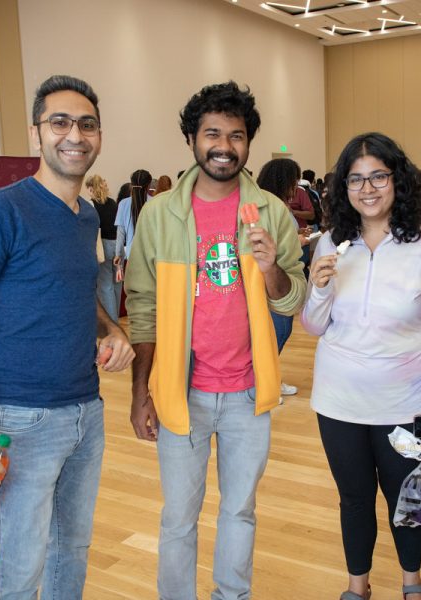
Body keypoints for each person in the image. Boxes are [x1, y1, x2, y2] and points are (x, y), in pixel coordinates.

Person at [0, 75, 135, 598]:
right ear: (37, 135)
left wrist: (112, 328)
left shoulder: (85, 217)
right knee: (20, 564)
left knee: (71, 551)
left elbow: (79, 293)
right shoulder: (0, 210)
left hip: (84, 411)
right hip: (19, 417)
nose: (75, 134)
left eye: (87, 124)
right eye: (60, 122)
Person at [123, 81, 306, 600]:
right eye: (212, 134)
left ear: (249, 144)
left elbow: (292, 302)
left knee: (239, 509)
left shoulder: (271, 211)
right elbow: (142, 307)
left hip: (249, 393)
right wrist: (141, 395)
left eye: (237, 135)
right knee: (179, 516)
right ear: (191, 139)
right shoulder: (160, 214)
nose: (224, 145)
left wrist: (271, 269)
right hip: (183, 390)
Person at [303, 132, 421, 600]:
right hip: (338, 399)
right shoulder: (332, 240)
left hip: (404, 402)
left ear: (397, 180)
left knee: (405, 501)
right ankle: (358, 586)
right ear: (343, 187)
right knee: (353, 499)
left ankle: (412, 582)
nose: (367, 188)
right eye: (356, 179)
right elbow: (313, 325)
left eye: (378, 177)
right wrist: (320, 287)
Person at [257, 157, 307, 398]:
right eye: (294, 181)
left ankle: (271, 380)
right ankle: (264, 385)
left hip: (284, 277)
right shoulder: (271, 208)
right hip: (273, 282)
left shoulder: (276, 207)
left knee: (279, 334)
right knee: (275, 335)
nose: (296, 187)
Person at [86, 174, 122, 321]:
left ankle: (112, 323)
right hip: (118, 245)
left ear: (90, 188)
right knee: (117, 283)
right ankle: (116, 319)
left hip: (104, 245)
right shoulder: (113, 203)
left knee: (105, 284)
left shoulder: (90, 204)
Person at [114, 169, 151, 270]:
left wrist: (118, 255)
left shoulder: (123, 204)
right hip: (151, 256)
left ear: (132, 184)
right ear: (149, 185)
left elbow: (120, 234)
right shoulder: (155, 203)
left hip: (131, 254)